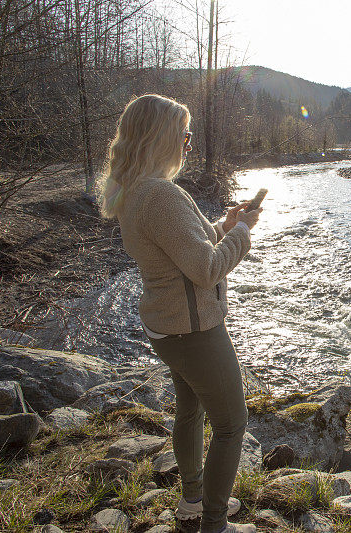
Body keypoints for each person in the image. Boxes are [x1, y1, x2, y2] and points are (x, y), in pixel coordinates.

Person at [98, 94, 259, 533]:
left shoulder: (136, 190)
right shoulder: (160, 195)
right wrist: (243, 234)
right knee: (231, 424)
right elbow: (206, 268)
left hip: (168, 327)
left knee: (190, 411)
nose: (189, 144)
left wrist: (225, 226)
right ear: (162, 137)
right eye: (184, 135)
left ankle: (192, 500)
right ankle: (213, 522)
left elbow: (187, 245)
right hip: (194, 331)